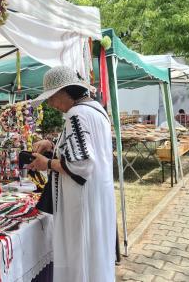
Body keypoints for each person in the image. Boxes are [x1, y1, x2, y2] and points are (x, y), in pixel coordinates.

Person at [27, 66, 116, 282]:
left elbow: (82, 163)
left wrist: (47, 163)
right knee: (95, 257)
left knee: (80, 258)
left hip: (82, 200)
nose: (51, 104)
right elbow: (84, 148)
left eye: (52, 98)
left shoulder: (76, 114)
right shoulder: (95, 109)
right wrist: (52, 144)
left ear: (64, 92)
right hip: (96, 196)